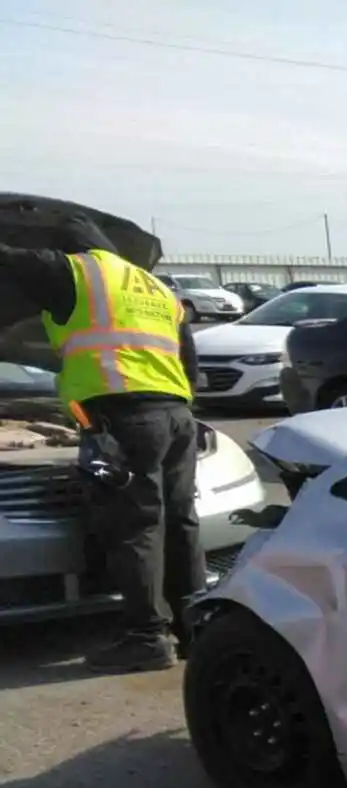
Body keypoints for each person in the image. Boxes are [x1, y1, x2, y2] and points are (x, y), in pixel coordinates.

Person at [0, 216, 203, 672]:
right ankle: (195, 630)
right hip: (176, 416)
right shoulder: (155, 288)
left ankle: (146, 638)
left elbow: (9, 260)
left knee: (136, 526)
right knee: (178, 522)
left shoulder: (76, 272)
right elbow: (188, 359)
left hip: (125, 419)